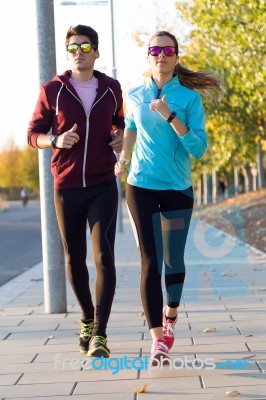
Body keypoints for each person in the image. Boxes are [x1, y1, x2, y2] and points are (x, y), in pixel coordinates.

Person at [115, 30, 221, 366]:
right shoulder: (133, 94)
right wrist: (124, 158)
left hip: (176, 188)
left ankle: (171, 313)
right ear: (148, 56)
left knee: (173, 259)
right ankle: (158, 339)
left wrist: (170, 116)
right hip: (141, 185)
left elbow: (199, 148)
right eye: (155, 50)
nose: (161, 54)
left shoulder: (189, 100)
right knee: (150, 261)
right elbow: (131, 126)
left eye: (168, 50)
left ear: (176, 58)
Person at [28, 24, 124, 358]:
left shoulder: (111, 88)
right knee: (74, 259)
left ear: (96, 52)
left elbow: (120, 123)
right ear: (67, 53)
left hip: (102, 184)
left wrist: (119, 136)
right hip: (66, 186)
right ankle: (86, 315)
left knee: (104, 257)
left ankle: (99, 333)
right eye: (73, 47)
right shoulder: (51, 90)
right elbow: (33, 134)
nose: (78, 52)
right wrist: (54, 140)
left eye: (85, 47)